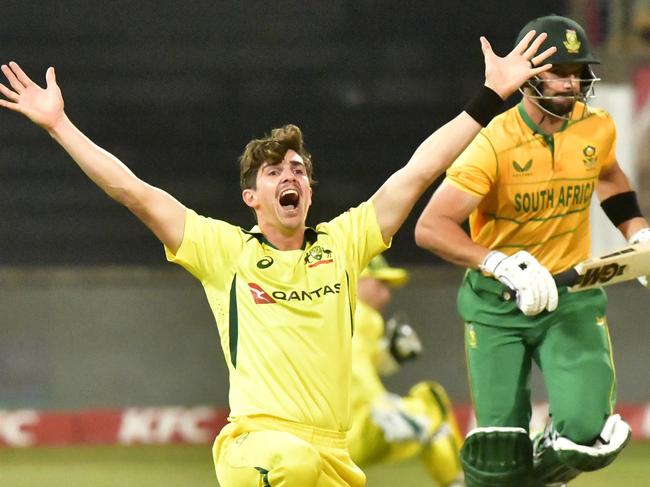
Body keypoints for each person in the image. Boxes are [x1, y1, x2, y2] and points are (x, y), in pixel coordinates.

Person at [0, 31, 554, 487]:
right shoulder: (225, 251)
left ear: (309, 189)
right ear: (253, 198)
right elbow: (135, 192)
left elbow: (417, 171)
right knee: (292, 462)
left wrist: (488, 97)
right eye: (274, 172)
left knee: (310, 462)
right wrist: (58, 125)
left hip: (334, 456)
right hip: (257, 448)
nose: (289, 175)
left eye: (297, 168)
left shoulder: (345, 243)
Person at [414, 14, 648, 487]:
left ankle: (535, 464)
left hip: (571, 299)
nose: (569, 83)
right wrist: (498, 263)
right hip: (497, 304)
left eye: (576, 72)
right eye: (557, 72)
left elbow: (608, 176)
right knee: (497, 453)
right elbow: (431, 227)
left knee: (588, 436)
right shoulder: (492, 143)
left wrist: (637, 232)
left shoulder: (595, 128)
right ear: (528, 76)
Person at [348, 254, 464, 486]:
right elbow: (356, 365)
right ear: (356, 279)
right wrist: (381, 404)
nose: (386, 295)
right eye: (380, 283)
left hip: (320, 436)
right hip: (357, 429)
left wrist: (389, 355)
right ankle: (457, 481)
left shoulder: (331, 312)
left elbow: (348, 361)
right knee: (433, 403)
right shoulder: (361, 314)